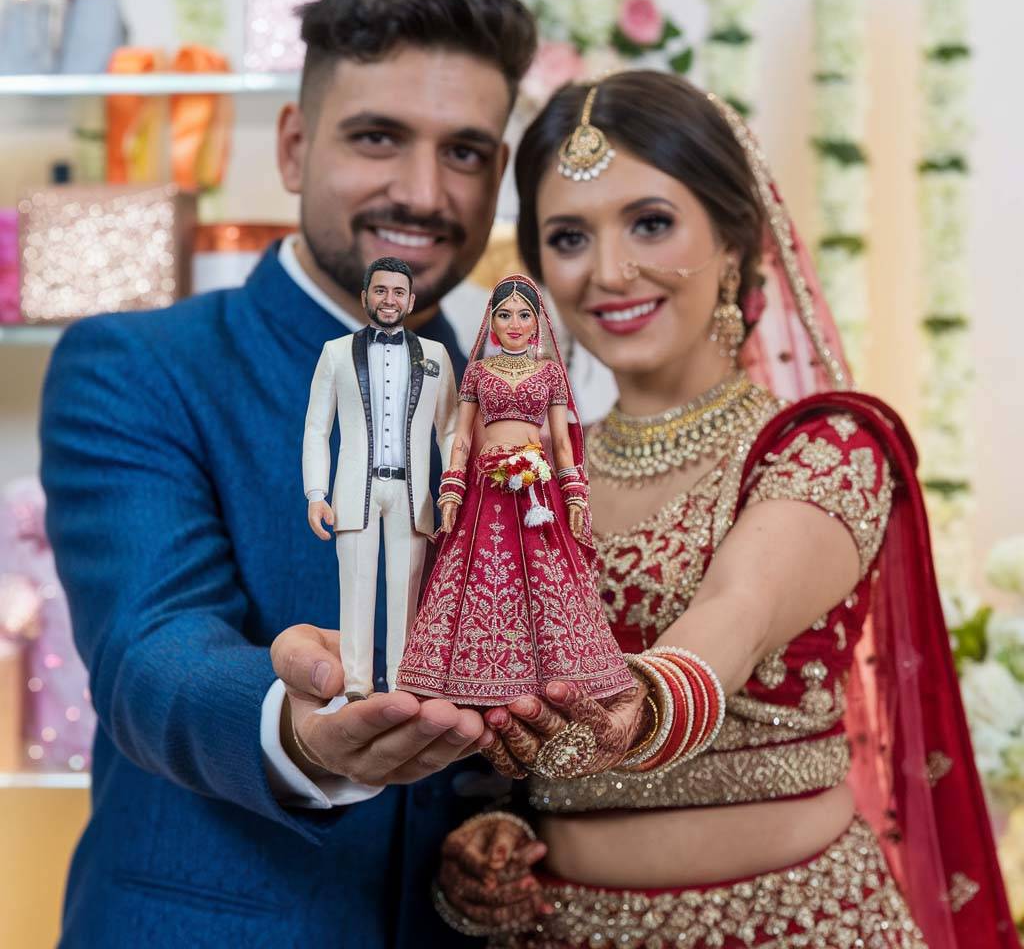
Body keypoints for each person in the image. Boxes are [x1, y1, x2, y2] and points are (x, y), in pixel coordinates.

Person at [275, 72, 1018, 947]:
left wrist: (647, 700)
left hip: (798, 925)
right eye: (568, 237)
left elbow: (735, 613)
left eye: (651, 223)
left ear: (734, 240)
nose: (609, 270)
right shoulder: (532, 472)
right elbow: (500, 706)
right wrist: (496, 825)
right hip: (559, 930)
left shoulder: (825, 446)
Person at [39, 0, 536, 948]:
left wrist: (508, 812)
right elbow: (154, 655)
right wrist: (297, 731)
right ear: (296, 147)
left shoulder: (511, 396)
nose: (423, 191)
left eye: (466, 152)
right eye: (378, 137)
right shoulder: (137, 365)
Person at [395, 275, 634, 707]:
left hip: (536, 492)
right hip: (486, 488)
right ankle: (469, 673)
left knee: (545, 578)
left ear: (538, 321)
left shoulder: (550, 373)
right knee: (479, 576)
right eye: (505, 315)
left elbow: (561, 442)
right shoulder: (478, 373)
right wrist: (452, 487)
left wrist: (575, 494)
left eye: (525, 315)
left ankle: (551, 672)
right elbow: (462, 438)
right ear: (492, 321)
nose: (515, 324)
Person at [303, 256, 459, 700]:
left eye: (397, 292)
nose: (388, 300)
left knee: (407, 586)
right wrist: (316, 492)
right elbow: (317, 428)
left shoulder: (435, 356)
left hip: (413, 492)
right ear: (365, 296)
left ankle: (403, 678)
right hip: (357, 488)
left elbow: (448, 429)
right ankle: (356, 682)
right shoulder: (335, 352)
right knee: (355, 584)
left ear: (410, 300)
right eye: (380, 290)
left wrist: (452, 488)